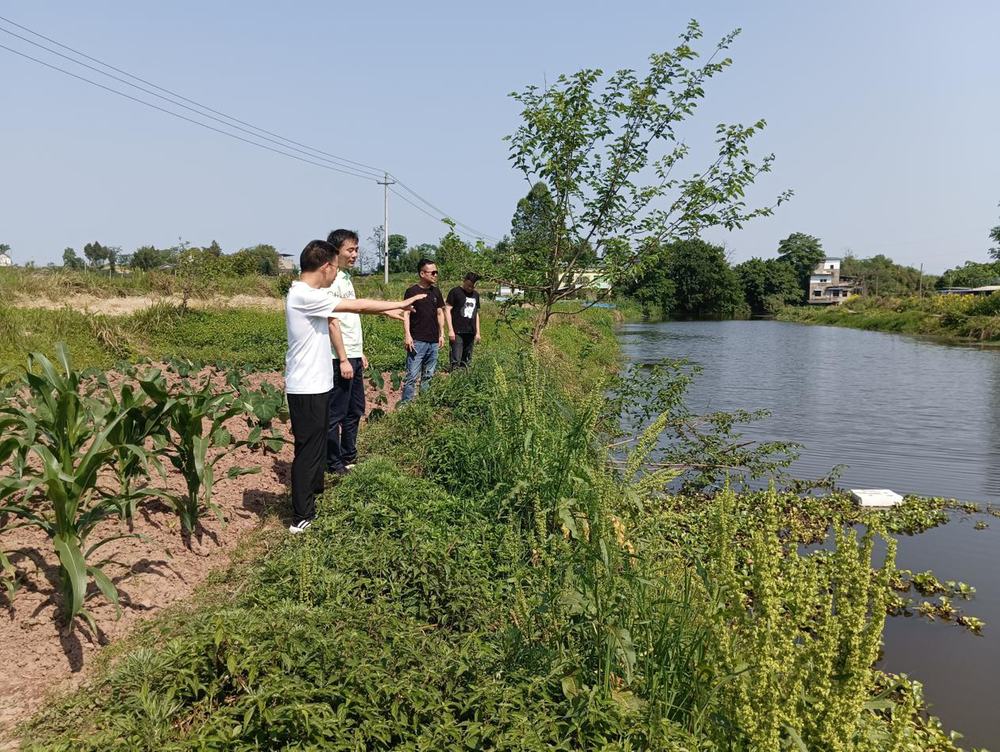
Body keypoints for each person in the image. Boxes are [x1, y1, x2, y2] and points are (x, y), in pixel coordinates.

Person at [285, 239, 424, 534]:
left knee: (315, 445)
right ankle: (301, 518)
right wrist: (398, 303)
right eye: (335, 268)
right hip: (306, 387)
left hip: (317, 384)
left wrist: (388, 311)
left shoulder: (308, 293)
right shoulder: (304, 296)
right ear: (326, 266)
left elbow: (351, 311)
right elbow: (356, 306)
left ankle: (313, 495)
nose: (336, 275)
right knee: (307, 451)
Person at [323, 228, 400, 476]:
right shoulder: (330, 280)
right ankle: (333, 463)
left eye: (356, 249)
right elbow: (332, 321)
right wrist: (344, 357)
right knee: (336, 413)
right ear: (336, 252)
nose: (356, 254)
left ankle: (349, 456)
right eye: (351, 250)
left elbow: (352, 314)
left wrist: (359, 352)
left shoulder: (345, 278)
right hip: (339, 359)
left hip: (353, 355)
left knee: (355, 409)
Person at [400, 259, 445, 403]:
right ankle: (406, 405)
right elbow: (406, 313)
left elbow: (439, 313)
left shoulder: (436, 292)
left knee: (428, 375)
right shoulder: (412, 291)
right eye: (433, 272)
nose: (435, 275)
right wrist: (407, 335)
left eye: (436, 272)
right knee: (412, 375)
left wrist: (442, 334)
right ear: (422, 273)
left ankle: (423, 404)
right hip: (417, 340)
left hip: (433, 341)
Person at [445, 272, 482, 370]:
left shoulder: (476, 295)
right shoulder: (455, 292)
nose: (470, 288)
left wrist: (478, 332)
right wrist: (450, 330)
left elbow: (476, 313)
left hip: (470, 332)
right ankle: (455, 379)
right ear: (464, 281)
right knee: (456, 359)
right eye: (468, 285)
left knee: (467, 360)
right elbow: (447, 310)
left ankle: (465, 381)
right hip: (457, 331)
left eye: (472, 286)